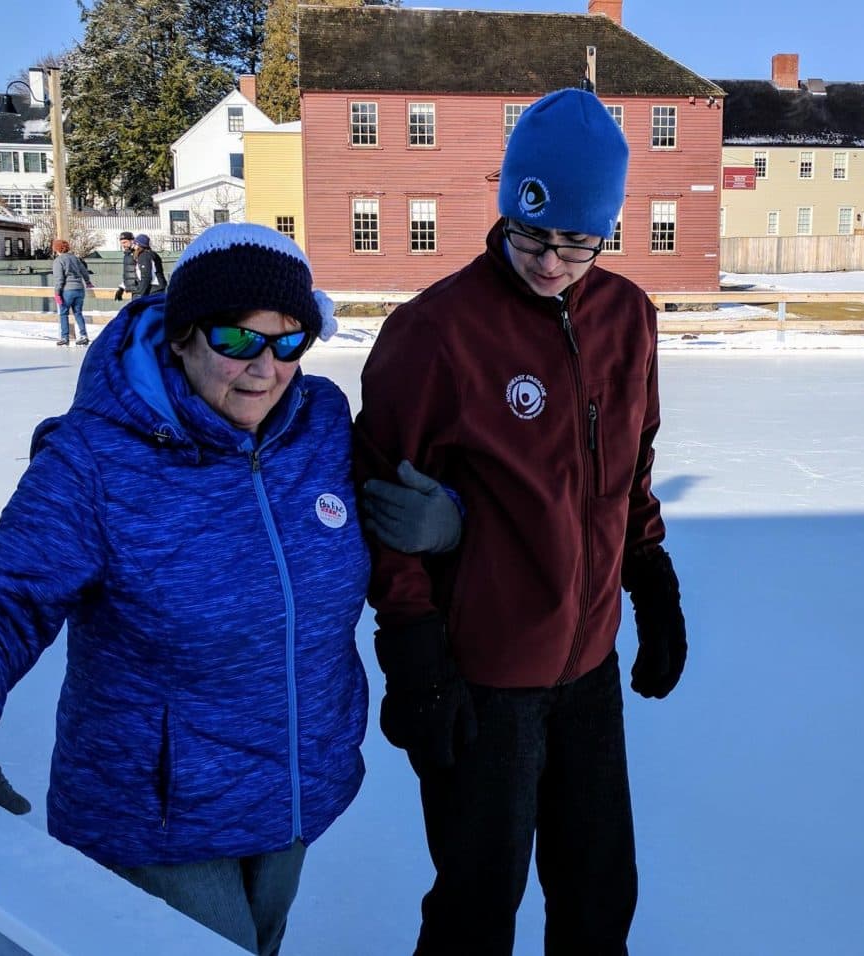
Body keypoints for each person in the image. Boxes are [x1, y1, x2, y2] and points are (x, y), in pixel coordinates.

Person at [0, 223, 450, 955]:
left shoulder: (318, 424)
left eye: (289, 341)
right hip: (158, 816)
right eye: (237, 341)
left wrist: (445, 523)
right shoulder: (97, 460)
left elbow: (380, 514)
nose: (265, 368)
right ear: (182, 337)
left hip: (294, 789)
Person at [354, 87, 689, 955]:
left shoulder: (629, 321)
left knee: (599, 896)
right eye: (531, 235)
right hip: (485, 680)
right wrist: (415, 656)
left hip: (588, 673)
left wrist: (650, 583)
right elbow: (385, 505)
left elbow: (631, 471)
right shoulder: (435, 333)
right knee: (476, 905)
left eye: (577, 242)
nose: (551, 262)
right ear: (506, 209)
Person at [49, 238, 93, 346]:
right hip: (79, 289)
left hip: (67, 290)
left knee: (63, 313)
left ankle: (65, 337)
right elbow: (84, 271)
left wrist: (57, 293)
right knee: (78, 313)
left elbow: (59, 279)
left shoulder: (58, 261)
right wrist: (87, 282)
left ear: (56, 249)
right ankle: (84, 335)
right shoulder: (75, 258)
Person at [131, 232, 167, 300]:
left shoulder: (144, 256)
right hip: (158, 288)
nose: (133, 246)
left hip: (153, 290)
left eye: (135, 244)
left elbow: (146, 277)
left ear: (138, 245)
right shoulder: (152, 254)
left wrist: (139, 294)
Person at [113, 230, 135, 301]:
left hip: (141, 290)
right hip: (135, 290)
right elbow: (129, 273)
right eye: (121, 243)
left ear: (132, 241)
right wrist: (122, 287)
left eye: (125, 242)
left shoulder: (137, 253)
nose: (123, 245)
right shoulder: (127, 255)